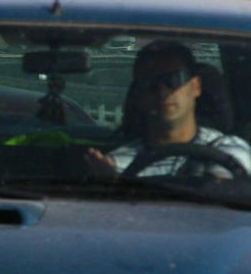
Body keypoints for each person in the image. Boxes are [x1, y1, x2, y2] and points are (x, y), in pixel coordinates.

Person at [88, 40, 251, 178]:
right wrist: (112, 188)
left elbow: (221, 198)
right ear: (137, 96)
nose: (162, 91)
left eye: (173, 79)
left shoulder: (229, 150)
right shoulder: (117, 164)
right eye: (149, 83)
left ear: (195, 86)